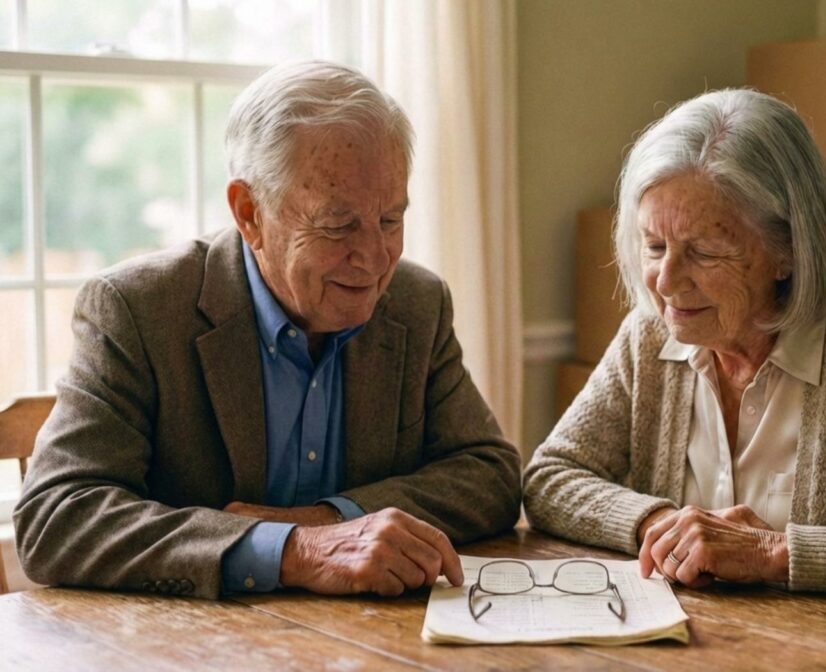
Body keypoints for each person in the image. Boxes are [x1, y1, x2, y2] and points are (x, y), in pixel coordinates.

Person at [14, 61, 521, 600]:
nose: (375, 259)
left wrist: (324, 519)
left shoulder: (417, 304)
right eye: (339, 224)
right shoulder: (137, 309)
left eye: (390, 220)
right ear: (250, 212)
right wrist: (292, 550)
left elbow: (490, 475)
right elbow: (56, 518)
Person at [523, 89, 826, 602]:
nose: (666, 281)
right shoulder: (647, 336)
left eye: (704, 252)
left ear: (787, 251)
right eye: (654, 246)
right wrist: (664, 523)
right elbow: (550, 480)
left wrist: (771, 552)